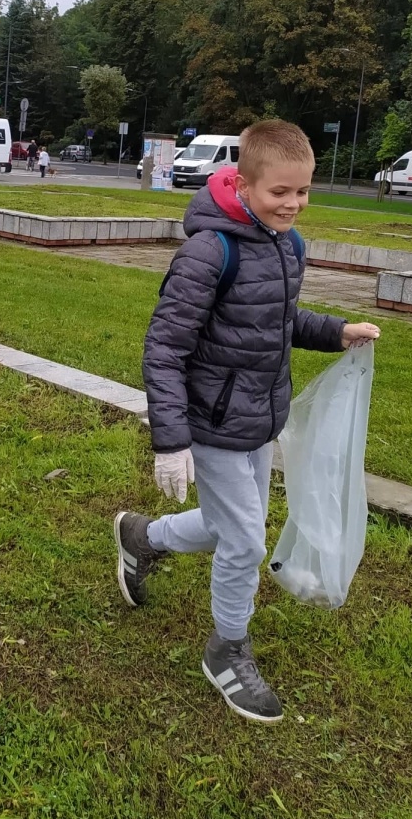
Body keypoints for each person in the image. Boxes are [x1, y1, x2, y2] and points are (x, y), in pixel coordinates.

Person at [113, 120, 379, 724]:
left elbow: (277, 321)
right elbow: (165, 348)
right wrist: (171, 441)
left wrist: (336, 332)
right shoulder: (210, 251)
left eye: (302, 191)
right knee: (245, 542)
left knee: (227, 526)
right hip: (210, 422)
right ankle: (227, 650)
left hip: (259, 418)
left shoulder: (288, 245)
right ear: (243, 183)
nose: (293, 204)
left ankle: (141, 538)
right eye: (279, 192)